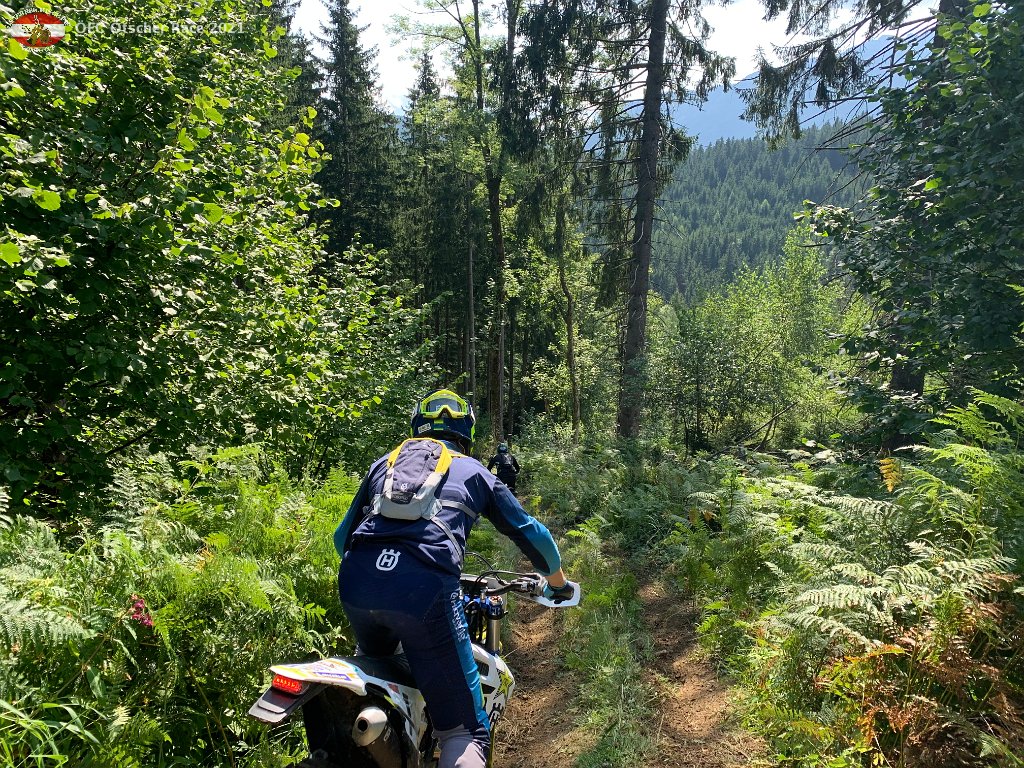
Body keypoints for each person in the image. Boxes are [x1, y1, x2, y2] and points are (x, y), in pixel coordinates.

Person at [333, 388, 574, 768]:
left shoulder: (384, 464)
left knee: (377, 670)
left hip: (357, 582)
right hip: (424, 589)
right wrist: (558, 584)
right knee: (466, 732)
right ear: (466, 432)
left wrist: (381, 570)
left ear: (417, 425)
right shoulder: (474, 471)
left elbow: (341, 539)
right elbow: (531, 533)